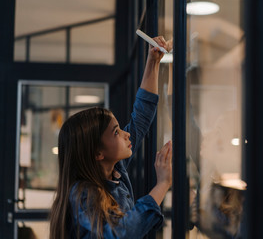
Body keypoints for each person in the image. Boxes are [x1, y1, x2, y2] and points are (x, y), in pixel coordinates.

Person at [49, 36, 173, 239]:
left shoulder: (114, 171)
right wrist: (162, 185)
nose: (126, 134)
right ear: (98, 153)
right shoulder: (83, 192)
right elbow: (121, 234)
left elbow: (141, 117)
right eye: (116, 132)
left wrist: (153, 61)